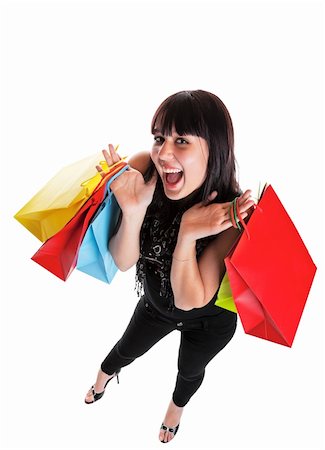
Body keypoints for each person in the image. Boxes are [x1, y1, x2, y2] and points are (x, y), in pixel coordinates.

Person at [84, 90, 254, 443]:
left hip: (209, 321)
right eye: (160, 138)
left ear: (215, 148)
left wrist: (189, 233)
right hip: (155, 305)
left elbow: (191, 299)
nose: (164, 153)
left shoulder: (232, 214)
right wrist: (132, 212)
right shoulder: (145, 167)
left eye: (181, 141)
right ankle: (102, 376)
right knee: (125, 348)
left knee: (189, 371)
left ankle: (175, 408)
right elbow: (123, 259)